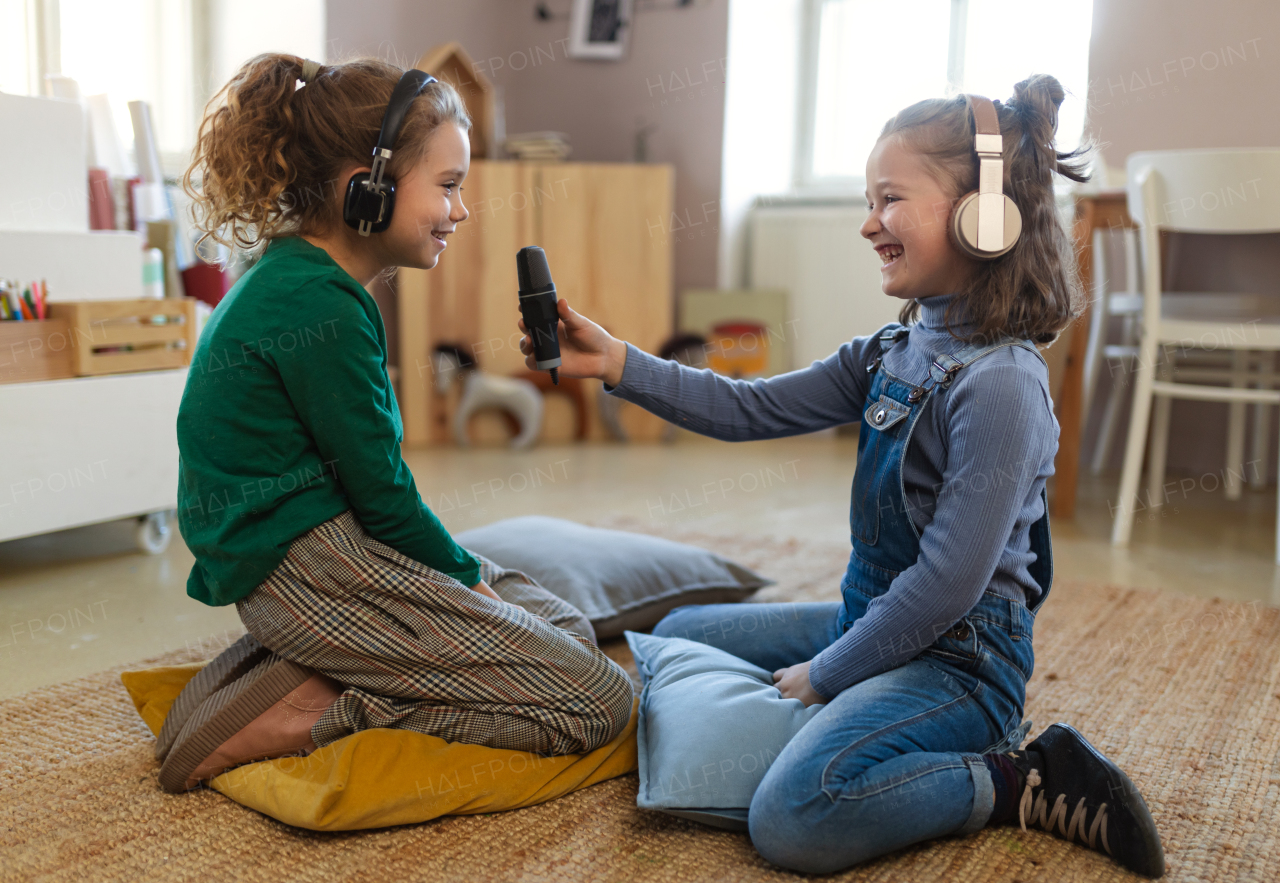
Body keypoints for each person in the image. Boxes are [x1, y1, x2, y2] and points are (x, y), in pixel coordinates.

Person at [520, 75, 1165, 878]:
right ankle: (863, 696)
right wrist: (615, 360)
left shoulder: (1003, 385)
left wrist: (824, 676)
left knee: (795, 816)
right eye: (869, 199)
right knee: (681, 632)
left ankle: (1017, 776)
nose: (869, 223)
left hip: (959, 660)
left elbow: (946, 585)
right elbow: (746, 408)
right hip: (876, 619)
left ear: (985, 213)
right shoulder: (890, 352)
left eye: (889, 199)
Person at [164, 55, 633, 792]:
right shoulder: (320, 306)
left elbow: (373, 495)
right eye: (447, 186)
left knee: (566, 630)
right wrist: (464, 584)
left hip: (330, 542)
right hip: (310, 566)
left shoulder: (301, 276)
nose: (463, 208)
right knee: (599, 702)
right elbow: (383, 494)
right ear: (369, 187)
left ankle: (316, 669)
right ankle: (319, 707)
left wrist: (472, 587)